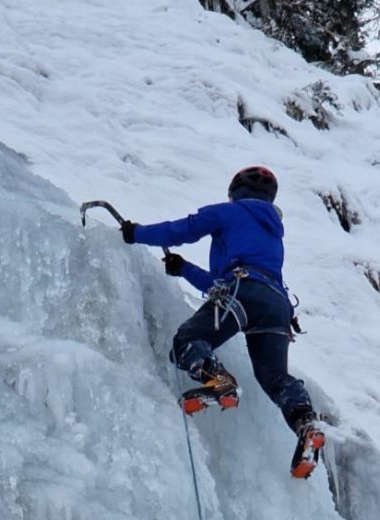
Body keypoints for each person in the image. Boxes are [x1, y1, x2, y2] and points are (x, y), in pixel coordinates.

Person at [120, 166, 323, 476]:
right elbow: (223, 283)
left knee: (187, 341)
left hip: (242, 291)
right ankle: (305, 424)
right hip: (277, 305)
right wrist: (184, 268)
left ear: (235, 193)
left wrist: (137, 234)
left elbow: (182, 230)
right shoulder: (272, 232)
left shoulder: (229, 213)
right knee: (274, 378)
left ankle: (219, 380)